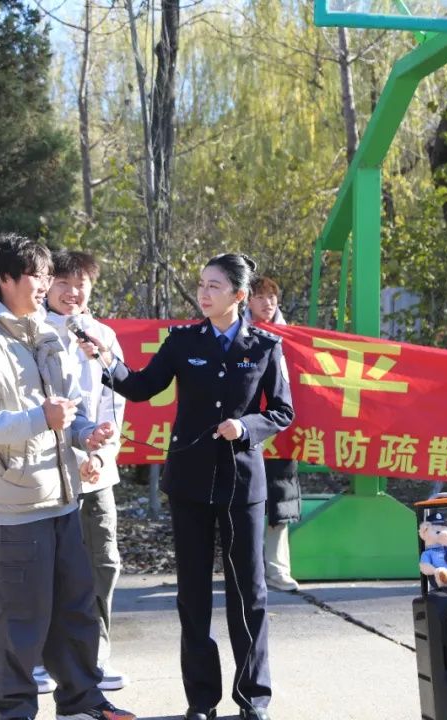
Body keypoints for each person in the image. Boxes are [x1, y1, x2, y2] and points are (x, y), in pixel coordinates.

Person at [81, 253, 295, 720]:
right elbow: (141, 387)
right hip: (190, 483)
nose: (204, 293)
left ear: (239, 295)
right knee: (193, 595)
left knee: (249, 594)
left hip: (242, 484)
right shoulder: (182, 341)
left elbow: (282, 411)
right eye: (201, 284)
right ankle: (201, 700)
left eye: (215, 286)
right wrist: (104, 361)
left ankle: (253, 698)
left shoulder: (264, 346)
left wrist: (247, 427)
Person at [0, 234, 137, 720]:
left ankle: (80, 702)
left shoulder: (46, 335)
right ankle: (14, 711)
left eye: (49, 276)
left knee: (76, 610)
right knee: (16, 621)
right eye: (38, 276)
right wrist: (40, 419)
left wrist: (87, 433)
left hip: (63, 498)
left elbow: (67, 412)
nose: (46, 285)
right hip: (13, 506)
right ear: (5, 279)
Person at [39, 250, 129, 693]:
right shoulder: (32, 333)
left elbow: (115, 402)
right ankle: (44, 658)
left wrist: (102, 455)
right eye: (63, 283)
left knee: (103, 562)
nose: (72, 292)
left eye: (81, 284)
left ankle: (95, 656)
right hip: (48, 473)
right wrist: (78, 454)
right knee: (48, 566)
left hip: (98, 474)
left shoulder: (103, 336)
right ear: (46, 286)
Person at [246, 276, 301, 593]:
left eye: (272, 297)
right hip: (245, 428)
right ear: (247, 300)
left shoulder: (292, 338)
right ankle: (247, 570)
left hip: (281, 429)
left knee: (280, 500)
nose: (267, 303)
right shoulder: (235, 333)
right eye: (260, 297)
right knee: (245, 502)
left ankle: (278, 570)